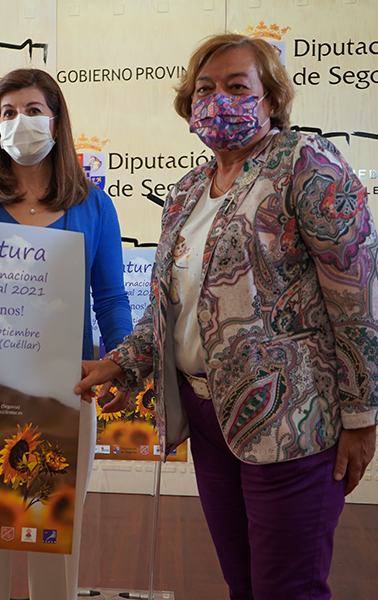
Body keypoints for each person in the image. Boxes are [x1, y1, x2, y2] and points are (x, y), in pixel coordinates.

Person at [76, 34, 378, 600]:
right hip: (207, 416)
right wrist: (121, 363)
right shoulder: (187, 190)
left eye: (237, 86)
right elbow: (170, 307)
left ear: (271, 99)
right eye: (205, 88)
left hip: (291, 418)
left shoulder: (306, 164)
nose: (218, 100)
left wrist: (362, 416)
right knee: (241, 583)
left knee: (286, 588)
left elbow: (357, 296)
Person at [0, 68, 132, 600]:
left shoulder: (93, 205)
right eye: (8, 113)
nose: (21, 121)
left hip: (65, 386)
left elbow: (110, 298)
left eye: (33, 110)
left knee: (53, 526)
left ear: (56, 121)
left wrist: (124, 364)